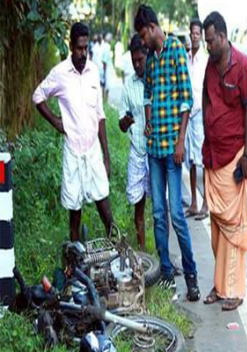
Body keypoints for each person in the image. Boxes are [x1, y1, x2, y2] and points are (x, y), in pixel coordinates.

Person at [134, 4, 200, 301]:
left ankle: (191, 274)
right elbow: (147, 94)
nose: (142, 42)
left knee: (176, 214)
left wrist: (180, 141)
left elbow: (187, 100)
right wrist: (148, 121)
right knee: (158, 214)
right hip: (154, 150)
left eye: (142, 35)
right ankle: (165, 274)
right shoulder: (150, 61)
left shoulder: (175, 50)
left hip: (172, 150)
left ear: (150, 28)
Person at [32, 22, 114, 242]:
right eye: (79, 48)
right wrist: (56, 122)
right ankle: (73, 266)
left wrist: (106, 156)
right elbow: (38, 96)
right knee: (74, 213)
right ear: (71, 46)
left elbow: (100, 115)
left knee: (105, 208)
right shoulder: (60, 74)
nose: (83, 53)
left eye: (86, 48)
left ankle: (118, 256)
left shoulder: (93, 71)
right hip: (73, 152)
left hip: (94, 151)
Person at [200, 11, 247, 311]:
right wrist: (206, 143)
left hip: (234, 154)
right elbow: (206, 100)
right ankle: (220, 285)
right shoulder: (210, 65)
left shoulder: (243, 64)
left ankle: (234, 290)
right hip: (213, 154)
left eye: (210, 41)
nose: (207, 46)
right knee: (217, 229)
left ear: (222, 36)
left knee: (233, 228)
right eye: (206, 42)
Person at [118, 35, 150, 251]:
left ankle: (162, 257)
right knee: (138, 205)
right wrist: (126, 121)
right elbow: (121, 124)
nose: (137, 64)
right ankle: (142, 251)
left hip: (155, 152)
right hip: (137, 151)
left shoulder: (155, 79)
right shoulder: (128, 85)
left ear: (147, 55)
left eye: (140, 59)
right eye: (134, 60)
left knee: (159, 207)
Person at [184, 19, 209, 220]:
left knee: (203, 161)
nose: (194, 36)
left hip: (200, 113)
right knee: (191, 160)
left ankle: (206, 203)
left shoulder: (205, 60)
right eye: (192, 33)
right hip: (188, 114)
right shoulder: (187, 57)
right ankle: (194, 202)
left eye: (197, 34)